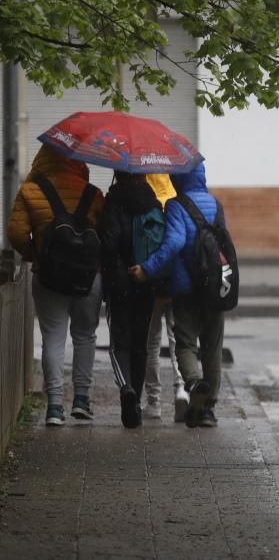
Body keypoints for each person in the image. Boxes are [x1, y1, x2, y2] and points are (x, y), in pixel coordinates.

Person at [7, 147, 104, 426]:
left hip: (48, 276)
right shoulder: (93, 193)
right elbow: (104, 232)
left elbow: (15, 232)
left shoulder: (30, 191)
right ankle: (82, 401)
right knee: (85, 335)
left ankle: (55, 407)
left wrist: (35, 253)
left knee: (53, 337)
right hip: (88, 278)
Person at [130, 163, 227, 429]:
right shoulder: (216, 205)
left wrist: (148, 268)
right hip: (216, 287)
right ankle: (207, 411)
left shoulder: (176, 205)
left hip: (187, 289)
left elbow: (173, 243)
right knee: (213, 347)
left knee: (185, 343)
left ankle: (195, 383)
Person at [98, 171, 161, 428]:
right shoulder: (153, 201)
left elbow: (109, 243)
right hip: (146, 281)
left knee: (118, 343)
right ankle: (136, 395)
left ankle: (126, 389)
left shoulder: (113, 202)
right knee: (140, 342)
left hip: (119, 282)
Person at [142, 173, 184, 422]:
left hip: (151, 281)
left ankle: (153, 401)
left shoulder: (145, 205)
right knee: (179, 340)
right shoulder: (176, 202)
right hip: (177, 282)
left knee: (152, 344)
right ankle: (182, 388)